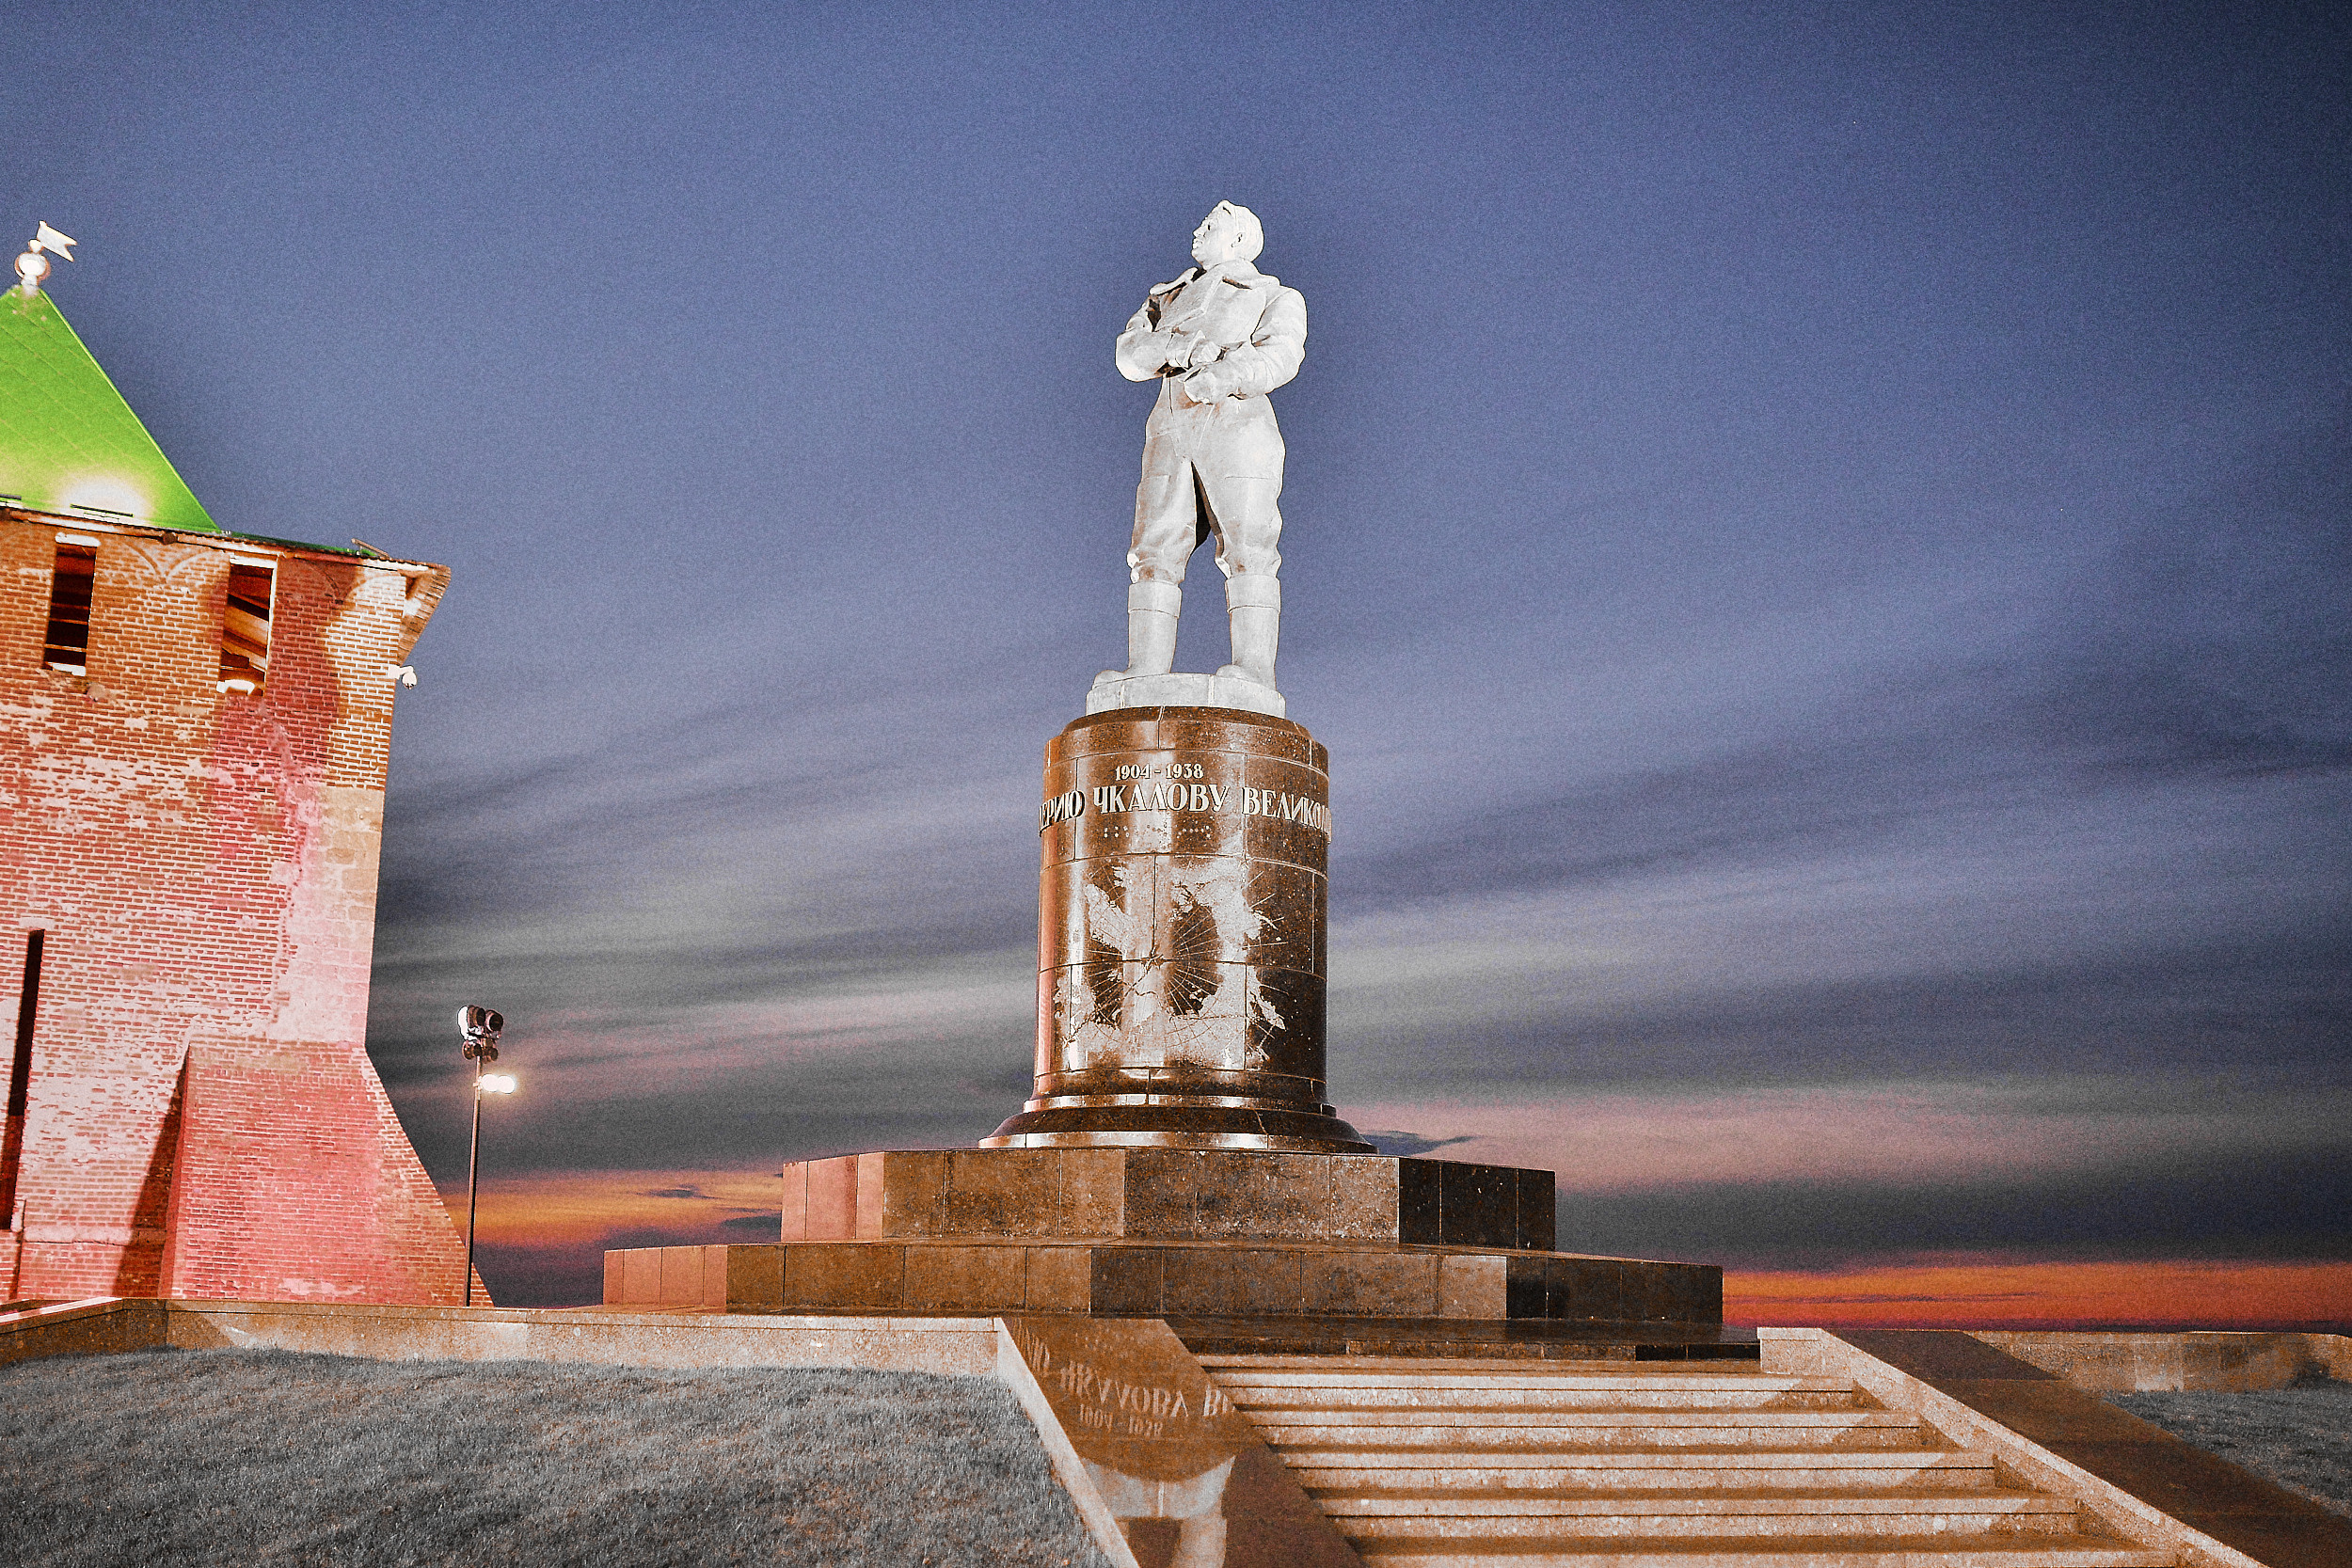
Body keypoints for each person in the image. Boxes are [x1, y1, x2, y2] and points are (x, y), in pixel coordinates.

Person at [1096, 201, 1306, 693]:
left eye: (1209, 226)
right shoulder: (1165, 298)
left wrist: (1221, 376)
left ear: (1236, 240)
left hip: (1236, 422)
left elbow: (1281, 356)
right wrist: (1174, 349)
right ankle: (1144, 668)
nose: (1196, 231)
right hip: (1169, 427)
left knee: (1249, 543)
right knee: (1152, 549)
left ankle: (1254, 672)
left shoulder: (1271, 294)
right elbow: (1128, 355)